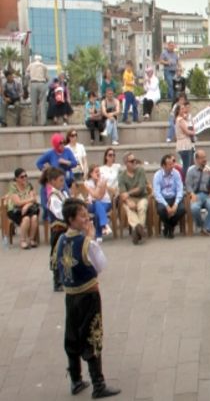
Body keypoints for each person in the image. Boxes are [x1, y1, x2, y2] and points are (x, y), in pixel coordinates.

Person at [52, 198, 121, 398]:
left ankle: (75, 379)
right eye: (82, 215)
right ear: (71, 219)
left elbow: (58, 266)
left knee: (72, 336)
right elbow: (101, 265)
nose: (86, 218)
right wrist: (90, 239)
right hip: (88, 296)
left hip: (70, 297)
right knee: (93, 335)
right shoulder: (85, 243)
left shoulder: (62, 240)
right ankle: (98, 384)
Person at [43, 167, 69, 290]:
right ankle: (57, 282)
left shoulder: (62, 193)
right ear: (53, 181)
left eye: (63, 180)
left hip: (65, 229)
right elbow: (59, 213)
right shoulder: (53, 197)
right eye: (60, 180)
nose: (62, 183)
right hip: (58, 229)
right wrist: (69, 213)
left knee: (66, 254)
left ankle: (66, 277)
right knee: (57, 254)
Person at [118, 152, 149, 245]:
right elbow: (122, 194)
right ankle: (140, 229)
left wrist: (128, 193)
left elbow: (141, 187)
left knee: (142, 207)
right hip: (129, 199)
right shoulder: (121, 176)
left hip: (141, 197)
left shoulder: (140, 171)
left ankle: (137, 230)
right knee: (129, 209)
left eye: (135, 160)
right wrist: (128, 201)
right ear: (126, 163)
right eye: (132, 161)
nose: (134, 162)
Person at [186, 149, 210, 235]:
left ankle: (208, 228)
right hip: (196, 195)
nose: (204, 159)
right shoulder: (191, 171)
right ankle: (202, 226)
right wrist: (191, 193)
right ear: (197, 159)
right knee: (194, 208)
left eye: (205, 157)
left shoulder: (209, 170)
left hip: (207, 195)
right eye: (202, 158)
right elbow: (188, 185)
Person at [152, 154, 186, 239]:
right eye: (169, 164)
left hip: (174, 197)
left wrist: (176, 204)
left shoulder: (176, 173)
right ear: (163, 165)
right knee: (161, 210)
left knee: (182, 209)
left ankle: (168, 226)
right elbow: (157, 193)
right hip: (163, 199)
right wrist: (166, 206)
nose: (172, 166)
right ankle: (170, 228)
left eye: (172, 164)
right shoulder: (157, 175)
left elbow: (180, 189)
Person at [6, 168, 40, 248]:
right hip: (15, 210)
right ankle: (23, 241)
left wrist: (27, 205)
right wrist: (29, 200)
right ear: (17, 178)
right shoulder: (13, 187)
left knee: (34, 217)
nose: (24, 178)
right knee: (26, 219)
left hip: (28, 208)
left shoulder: (29, 185)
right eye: (22, 177)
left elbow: (34, 199)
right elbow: (17, 202)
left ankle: (31, 240)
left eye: (25, 176)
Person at [26, 55, 49, 126]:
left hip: (33, 83)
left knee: (33, 103)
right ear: (41, 60)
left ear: (34, 59)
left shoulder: (30, 65)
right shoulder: (44, 66)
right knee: (43, 103)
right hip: (42, 83)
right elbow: (47, 77)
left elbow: (27, 75)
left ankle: (34, 122)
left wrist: (30, 80)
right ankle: (43, 122)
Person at [175, 101, 196, 171]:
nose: (184, 110)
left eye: (184, 108)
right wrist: (193, 132)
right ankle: (185, 180)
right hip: (184, 145)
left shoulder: (181, 119)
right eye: (182, 109)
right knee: (186, 165)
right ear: (178, 110)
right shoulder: (180, 120)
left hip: (185, 143)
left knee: (187, 164)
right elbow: (186, 131)